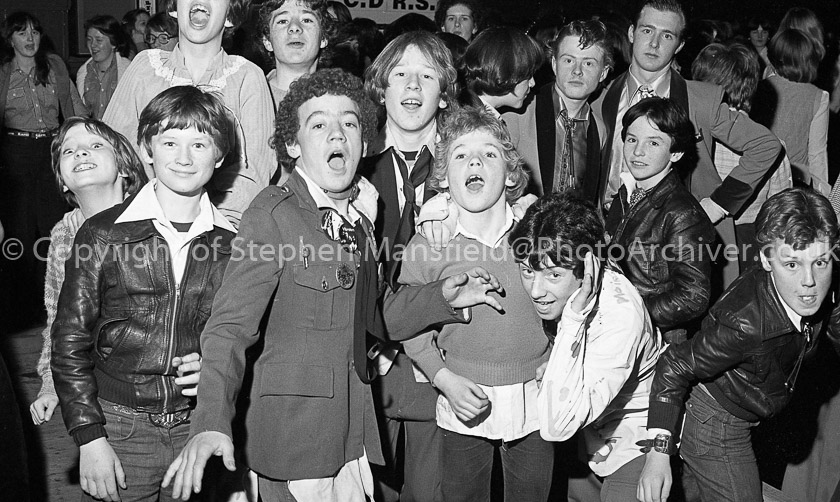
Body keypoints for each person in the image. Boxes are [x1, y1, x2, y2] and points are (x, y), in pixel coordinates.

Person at [160, 68, 471, 502]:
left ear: (365, 142)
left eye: (349, 122)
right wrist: (211, 420)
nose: (337, 134)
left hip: (352, 435)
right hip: (294, 440)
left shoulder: (359, 222)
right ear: (292, 145)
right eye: (318, 124)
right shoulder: (273, 215)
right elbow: (229, 327)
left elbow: (374, 317)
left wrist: (440, 298)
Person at [51, 85, 237, 502]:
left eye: (199, 143)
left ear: (220, 156)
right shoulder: (101, 233)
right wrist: (89, 437)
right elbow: (68, 342)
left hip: (195, 428)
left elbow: (239, 338)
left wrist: (214, 365)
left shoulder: (234, 245)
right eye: (170, 142)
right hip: (118, 428)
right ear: (147, 149)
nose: (184, 158)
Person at [388, 107, 554, 501]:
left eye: (489, 154)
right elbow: (408, 320)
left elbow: (572, 304)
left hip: (536, 395)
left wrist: (559, 356)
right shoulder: (429, 245)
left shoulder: (537, 236)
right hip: (461, 396)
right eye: (461, 154)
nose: (475, 161)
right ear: (444, 176)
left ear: (512, 175)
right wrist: (441, 377)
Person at [637, 188, 840, 502]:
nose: (809, 282)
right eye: (792, 265)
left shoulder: (823, 287)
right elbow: (673, 366)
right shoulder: (744, 324)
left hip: (750, 409)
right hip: (716, 423)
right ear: (766, 259)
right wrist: (658, 453)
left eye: (821, 262)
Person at [593, 0, 781, 290]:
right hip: (612, 235)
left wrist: (718, 204)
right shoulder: (603, 97)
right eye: (647, 30)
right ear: (631, 33)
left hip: (675, 244)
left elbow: (766, 146)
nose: (654, 43)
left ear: (679, 45)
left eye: (667, 35)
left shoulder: (701, 99)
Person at [359, 30, 458, 502]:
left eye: (426, 76)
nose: (412, 88)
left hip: (443, 365)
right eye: (400, 75)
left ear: (444, 93)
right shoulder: (352, 161)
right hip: (366, 367)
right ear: (381, 88)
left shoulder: (472, 163)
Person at [511, 192, 662, 501]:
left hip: (635, 439)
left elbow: (556, 427)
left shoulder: (619, 315)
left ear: (590, 265)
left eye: (553, 275)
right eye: (528, 271)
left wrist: (574, 318)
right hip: (587, 437)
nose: (536, 290)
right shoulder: (564, 263)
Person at [103, 0, 276, 228]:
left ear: (230, 15)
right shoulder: (144, 67)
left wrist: (214, 228)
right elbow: (112, 149)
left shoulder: (247, 76)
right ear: (175, 8)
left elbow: (255, 171)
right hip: (141, 224)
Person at [29, 117, 148, 427]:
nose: (81, 153)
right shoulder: (64, 235)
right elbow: (58, 316)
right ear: (63, 181)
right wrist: (51, 384)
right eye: (69, 151)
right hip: (96, 384)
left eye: (95, 146)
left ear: (124, 167)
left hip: (152, 380)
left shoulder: (151, 220)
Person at [0, 11, 87, 331]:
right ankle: (23, 312)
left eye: (34, 32)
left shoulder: (55, 66)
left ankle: (57, 306)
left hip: (51, 151)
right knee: (19, 235)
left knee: (54, 231)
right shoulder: (4, 72)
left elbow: (71, 108)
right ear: (10, 39)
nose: (29, 39)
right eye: (21, 33)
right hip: (15, 154)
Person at [605, 97, 714, 343]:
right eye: (632, 140)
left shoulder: (683, 214)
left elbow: (692, 296)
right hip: (617, 329)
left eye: (653, 143)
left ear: (675, 153)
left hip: (655, 338)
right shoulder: (627, 192)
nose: (638, 151)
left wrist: (629, 314)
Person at [691, 42, 792, 269]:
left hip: (695, 238)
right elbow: (781, 212)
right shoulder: (772, 145)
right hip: (749, 245)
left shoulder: (692, 138)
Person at [503, 19, 612, 198]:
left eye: (589, 63)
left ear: (604, 73)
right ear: (554, 64)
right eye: (569, 60)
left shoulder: (599, 130)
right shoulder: (518, 115)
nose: (577, 71)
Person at [751, 29, 829, 196]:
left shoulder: (758, 88)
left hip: (759, 176)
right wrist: (823, 195)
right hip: (795, 183)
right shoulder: (818, 96)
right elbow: (817, 154)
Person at [259, 0, 332, 108]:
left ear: (323, 38)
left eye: (306, 20)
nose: (294, 27)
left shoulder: (341, 100)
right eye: (283, 21)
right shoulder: (248, 97)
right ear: (267, 41)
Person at [458, 26, 543, 116]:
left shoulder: (471, 112)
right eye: (528, 75)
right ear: (505, 73)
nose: (532, 83)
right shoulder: (476, 125)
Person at [76, 15, 133, 119]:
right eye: (89, 40)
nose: (92, 45)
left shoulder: (128, 71)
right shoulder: (84, 72)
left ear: (114, 43)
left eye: (99, 40)